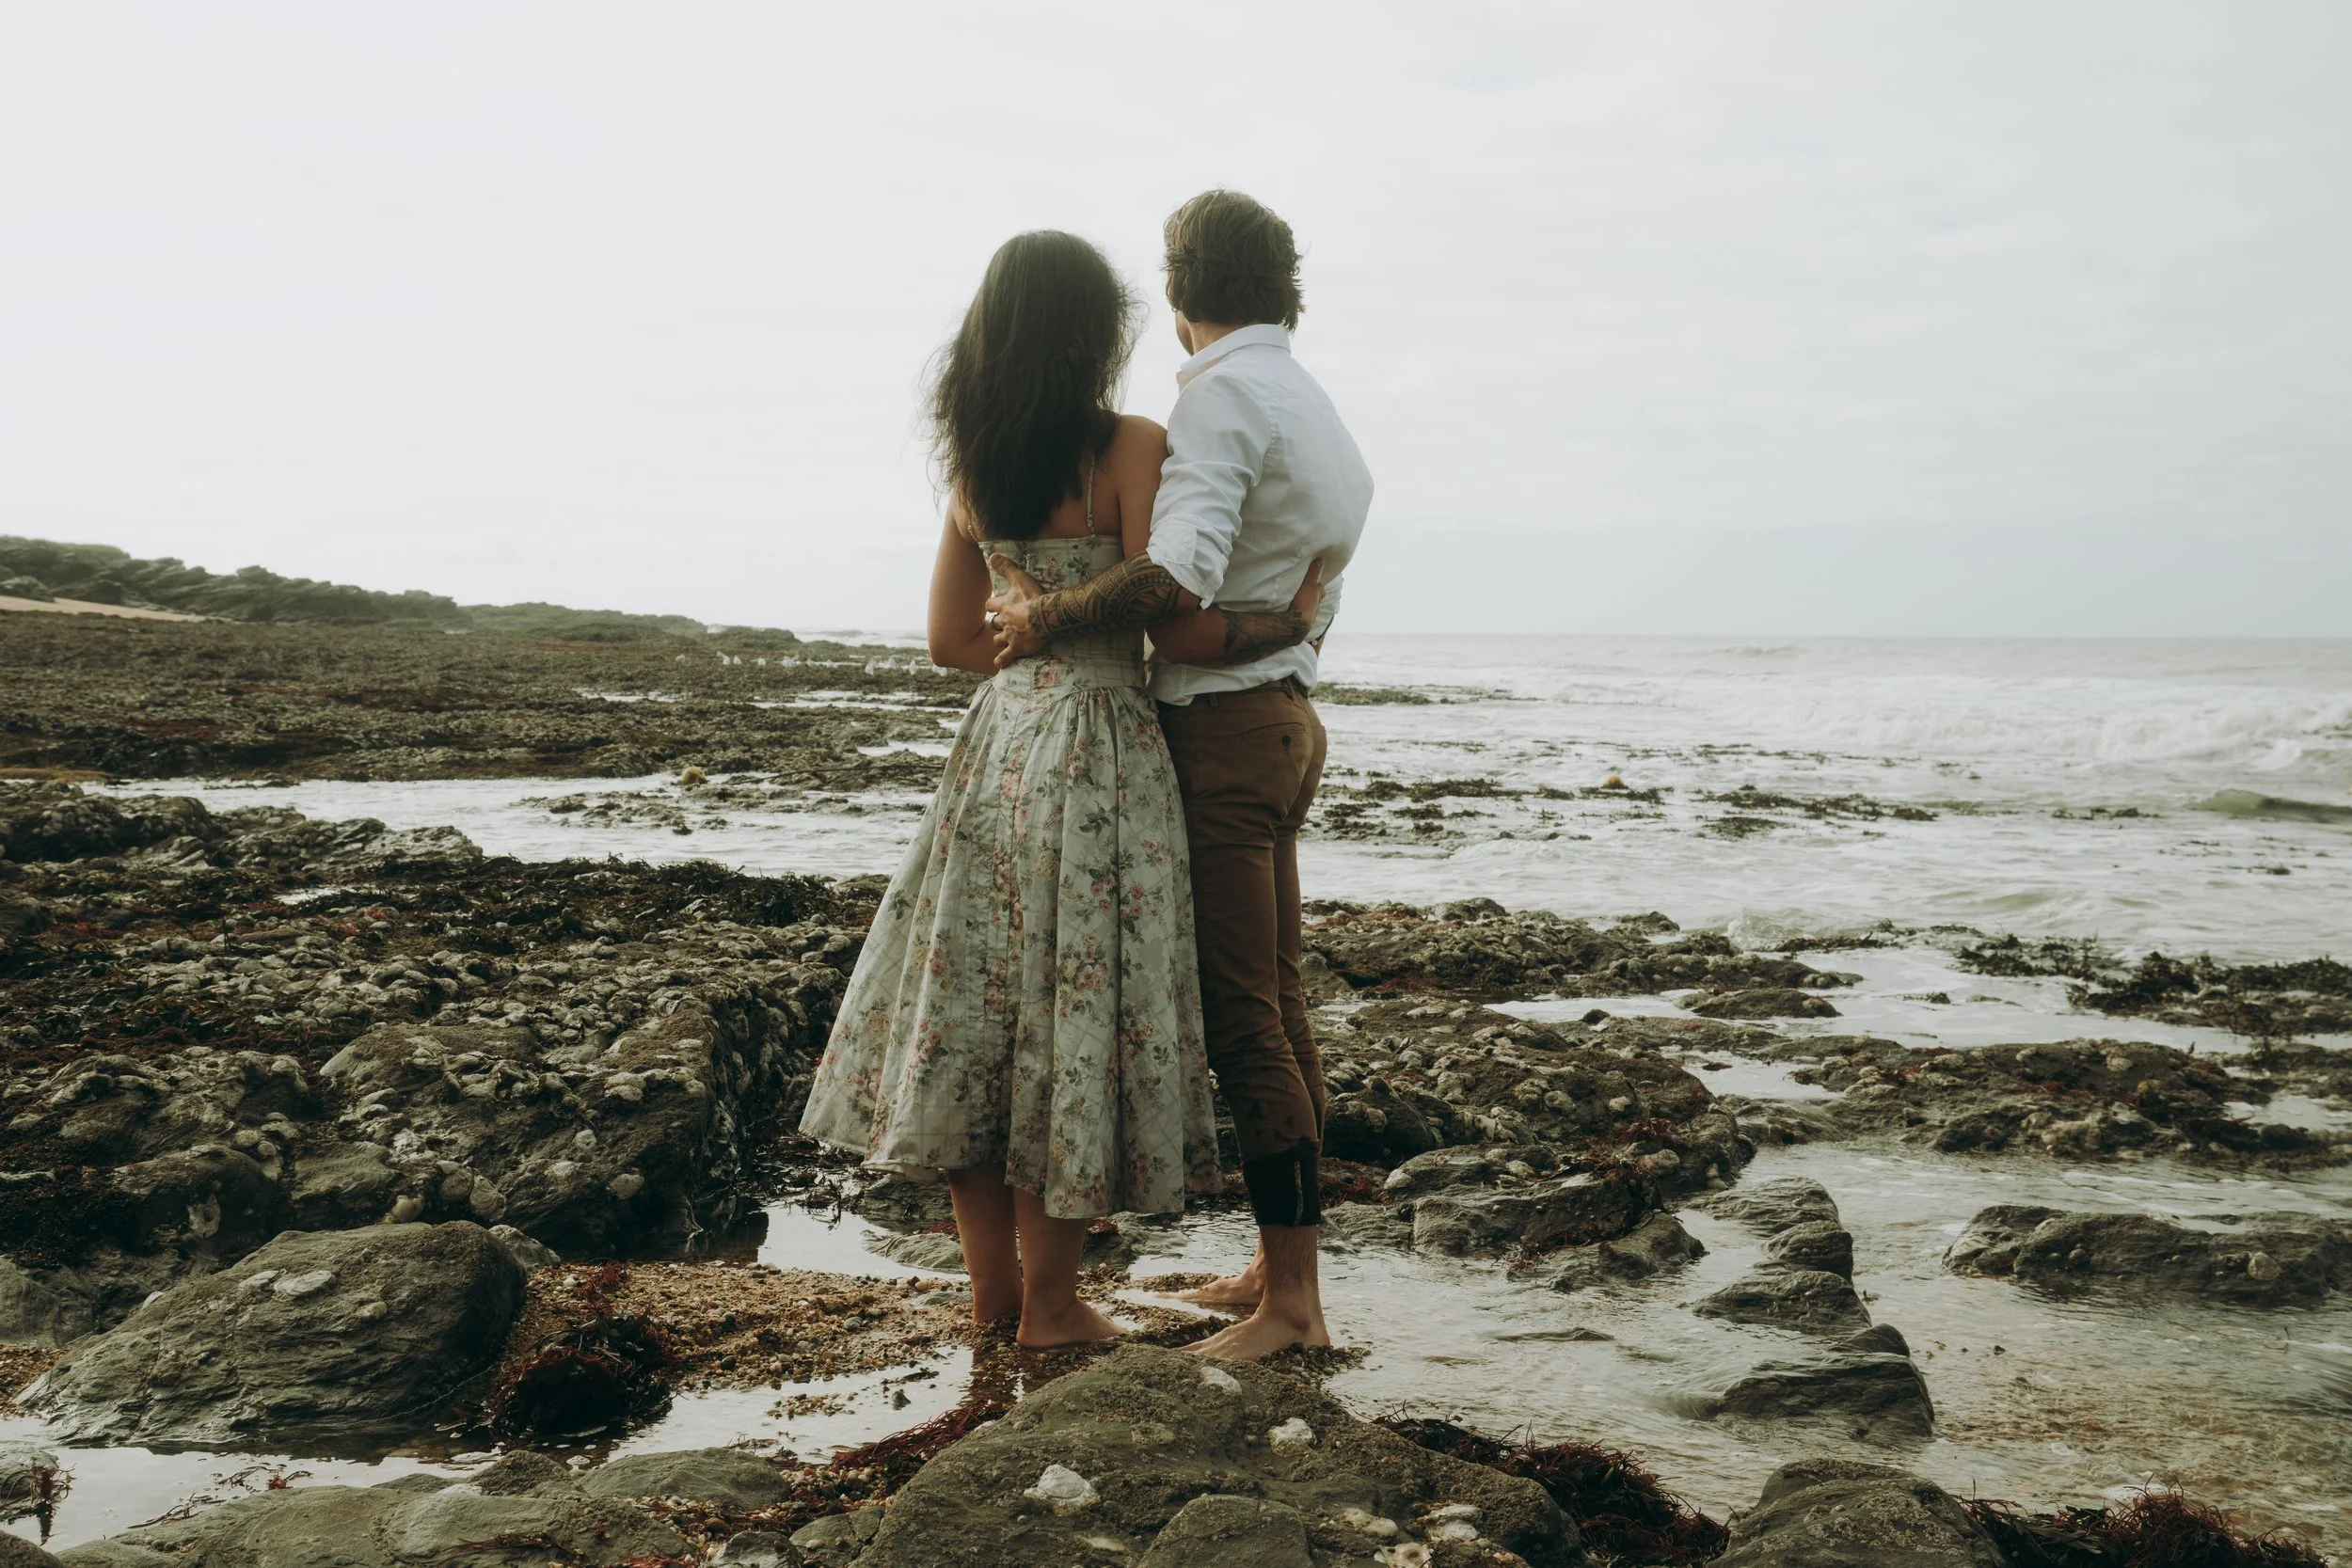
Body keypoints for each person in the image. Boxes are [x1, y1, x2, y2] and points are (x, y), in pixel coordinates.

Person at [798, 230, 1321, 1350]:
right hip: (1101, 749)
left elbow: (947, 643)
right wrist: (1283, 624)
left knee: (980, 1024)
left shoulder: (973, 476)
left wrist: (1020, 624)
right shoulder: (1130, 443)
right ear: (1096, 335)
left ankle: (993, 1302)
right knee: (1066, 1021)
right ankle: (1052, 1307)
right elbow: (1165, 603)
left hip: (1000, 745)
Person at [988, 191, 1375, 1360]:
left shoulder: (1216, 398)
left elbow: (1173, 579)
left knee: (1244, 1011)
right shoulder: (1314, 404)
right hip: (1288, 720)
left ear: (1177, 292)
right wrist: (1277, 634)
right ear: (1284, 287)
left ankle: (1291, 1307)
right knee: (1281, 994)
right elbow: (1287, 594)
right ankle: (1279, 1261)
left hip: (1219, 735)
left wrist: (1046, 614)